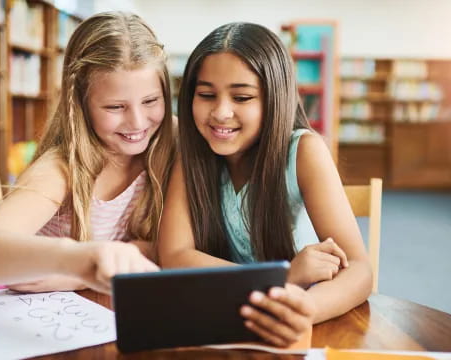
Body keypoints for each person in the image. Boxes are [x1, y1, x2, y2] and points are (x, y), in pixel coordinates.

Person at [158, 22, 372, 346]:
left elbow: (359, 269)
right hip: (226, 319)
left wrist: (302, 308)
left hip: (299, 326)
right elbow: (174, 255)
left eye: (242, 97)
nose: (221, 112)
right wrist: (281, 277)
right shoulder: (191, 155)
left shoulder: (303, 152)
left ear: (275, 99)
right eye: (205, 95)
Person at [0, 12, 174, 293]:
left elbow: (169, 246)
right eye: (115, 107)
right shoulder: (60, 168)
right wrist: (75, 260)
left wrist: (78, 276)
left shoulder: (171, 140)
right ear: (80, 103)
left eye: (151, 101)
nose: (138, 123)